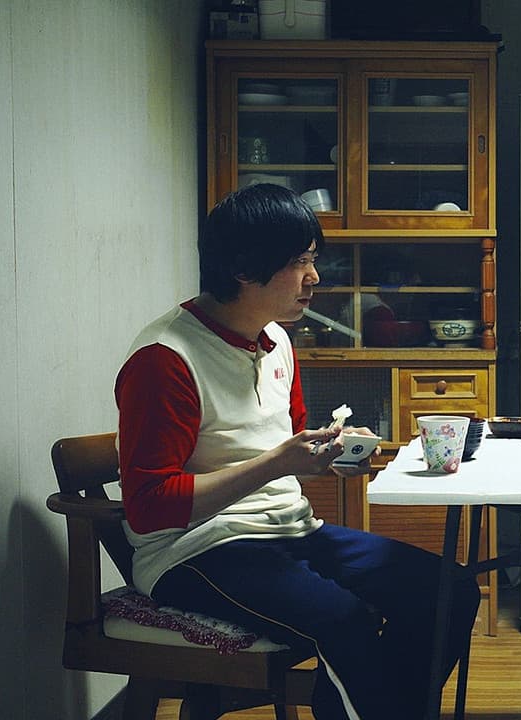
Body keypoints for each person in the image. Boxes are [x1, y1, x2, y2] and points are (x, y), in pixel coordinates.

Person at [115, 183, 479, 720]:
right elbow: (148, 507)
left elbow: (288, 445)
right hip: (195, 551)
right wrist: (277, 463)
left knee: (449, 590)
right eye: (299, 262)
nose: (314, 277)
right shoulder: (165, 358)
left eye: (313, 260)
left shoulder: (277, 340)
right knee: (344, 620)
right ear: (243, 268)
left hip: (290, 531)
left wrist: (333, 455)